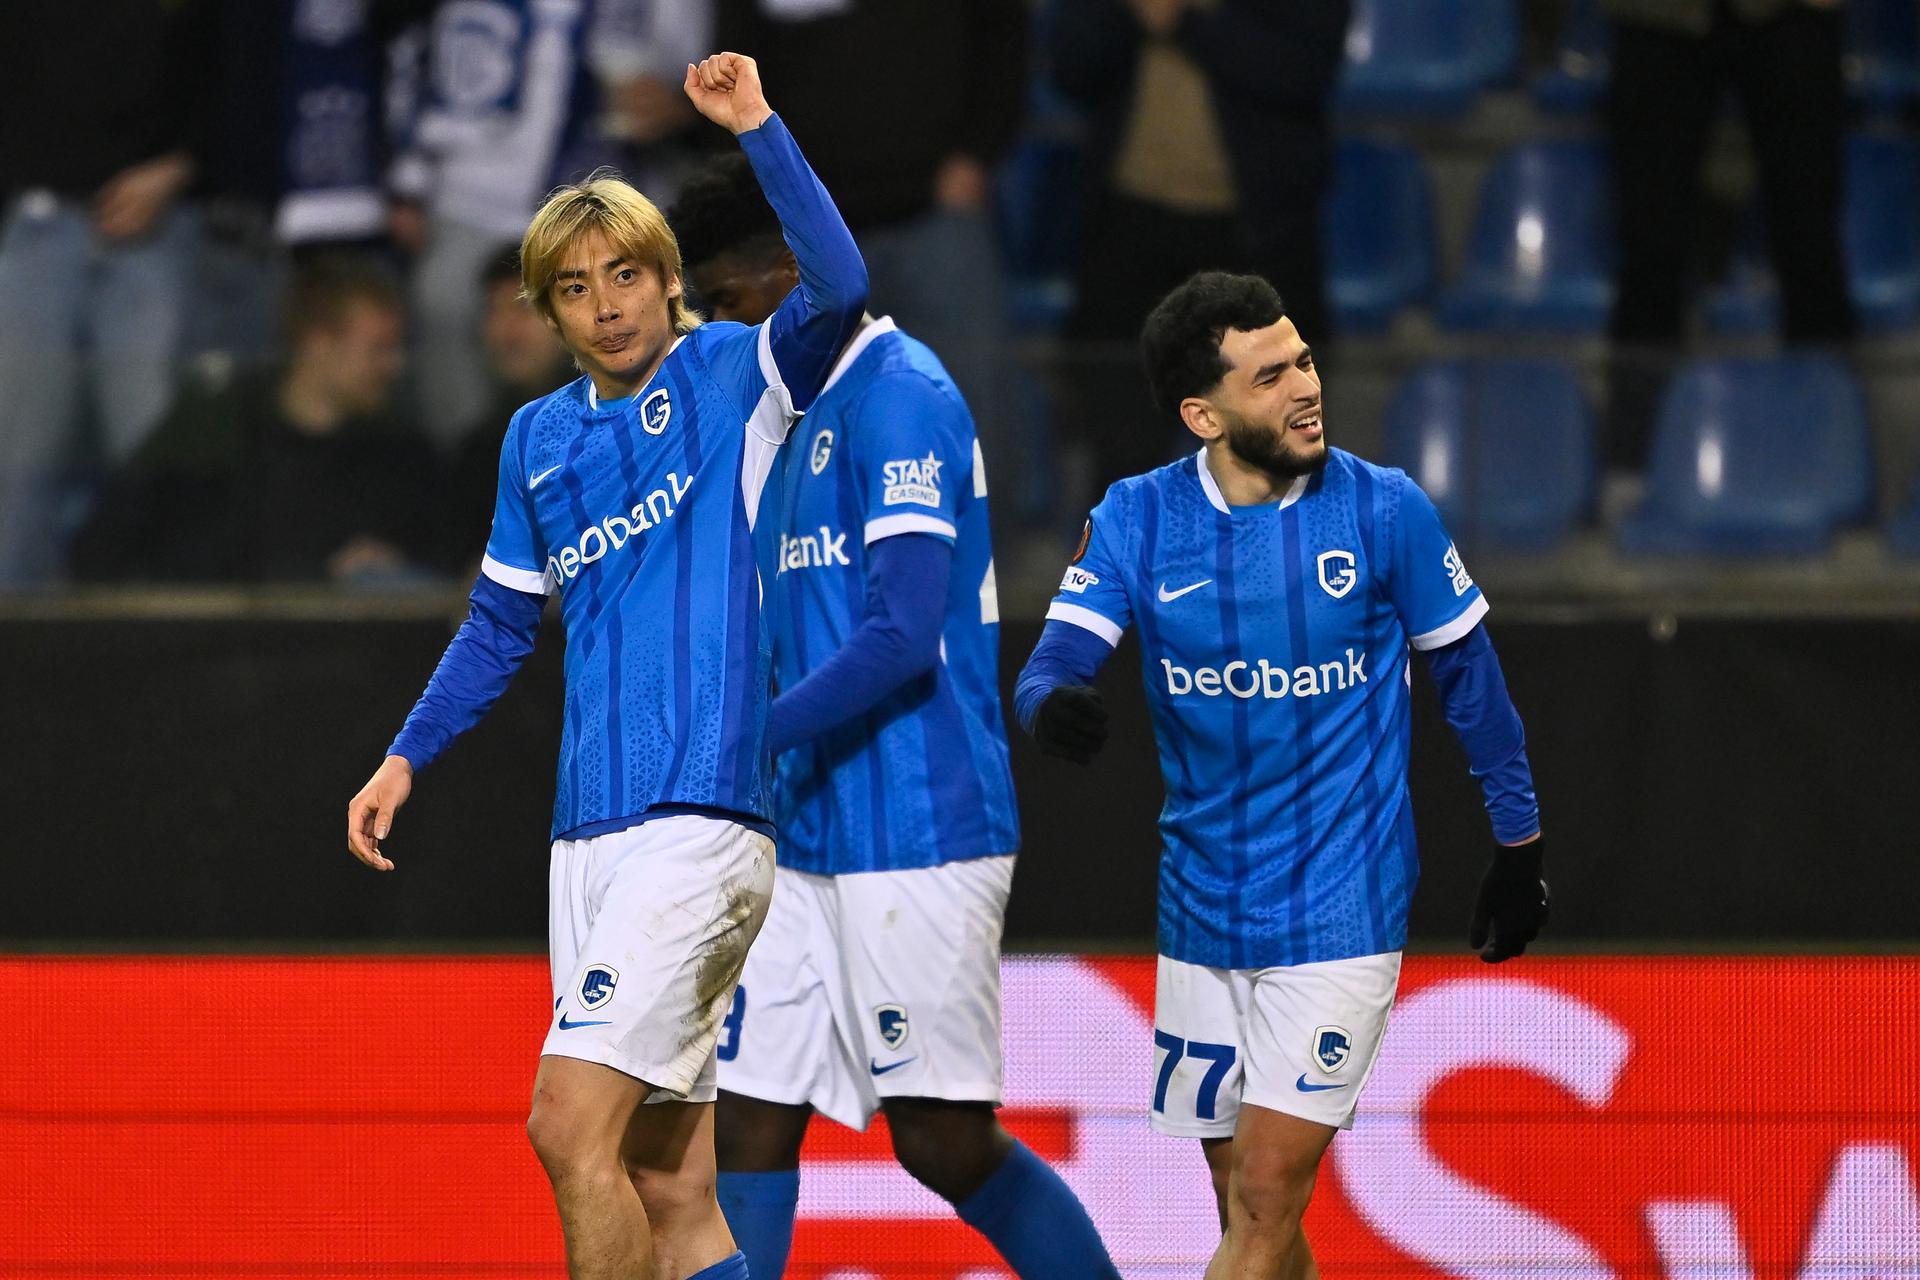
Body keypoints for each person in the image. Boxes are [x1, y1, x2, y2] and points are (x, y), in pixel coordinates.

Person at [345, 54, 867, 1280]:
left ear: (669, 280)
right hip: (590, 839)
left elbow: (840, 280)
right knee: (668, 1185)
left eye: (627, 273)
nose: (608, 303)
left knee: (564, 1122)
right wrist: (406, 753)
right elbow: (496, 625)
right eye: (575, 287)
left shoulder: (733, 375)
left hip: (701, 820)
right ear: (550, 310)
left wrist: (758, 125)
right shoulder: (537, 440)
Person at [1013, 272, 1549, 1277]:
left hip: (1342, 904)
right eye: (1271, 376)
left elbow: (1470, 679)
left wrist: (1519, 844)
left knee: (1263, 1191)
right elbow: (1050, 666)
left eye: (1303, 359)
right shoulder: (1136, 518)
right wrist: (1055, 709)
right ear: (1201, 413)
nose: (1307, 386)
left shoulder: (1384, 510)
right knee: (1248, 1206)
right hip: (1203, 907)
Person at [667, 154, 1120, 1280]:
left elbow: (903, 633)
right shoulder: (771, 420)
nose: (711, 334)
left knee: (942, 1142)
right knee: (750, 1118)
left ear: (786, 274)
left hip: (918, 827)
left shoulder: (904, 393)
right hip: (799, 834)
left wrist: (742, 736)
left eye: (722, 305)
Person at [1048, 0, 1349, 497]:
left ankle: (1273, 576)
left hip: (1258, 238)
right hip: (1127, 233)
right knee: (1122, 462)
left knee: (1269, 462)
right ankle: (1123, 574)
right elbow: (1070, 67)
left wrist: (1182, 23)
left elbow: (1302, 70)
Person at [0, 0, 214, 584]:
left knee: (153, 456)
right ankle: (16, 652)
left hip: (158, 224)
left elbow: (234, 68)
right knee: (17, 464)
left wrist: (179, 166)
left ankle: (159, 650)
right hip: (34, 219)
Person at [68, 255, 439, 585]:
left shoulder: (400, 451)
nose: (395, 365)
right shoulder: (215, 427)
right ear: (318, 340)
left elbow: (445, 559)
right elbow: (110, 539)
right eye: (378, 349)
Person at [1605, 0, 1854, 468]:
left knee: (1811, 239)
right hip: (1657, 17)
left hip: (1797, 15)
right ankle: (1635, 462)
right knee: (1649, 243)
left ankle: (1836, 450)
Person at [446, 246, 576, 557]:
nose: (506, 331)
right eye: (494, 310)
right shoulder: (478, 451)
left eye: (522, 309)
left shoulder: (621, 427)